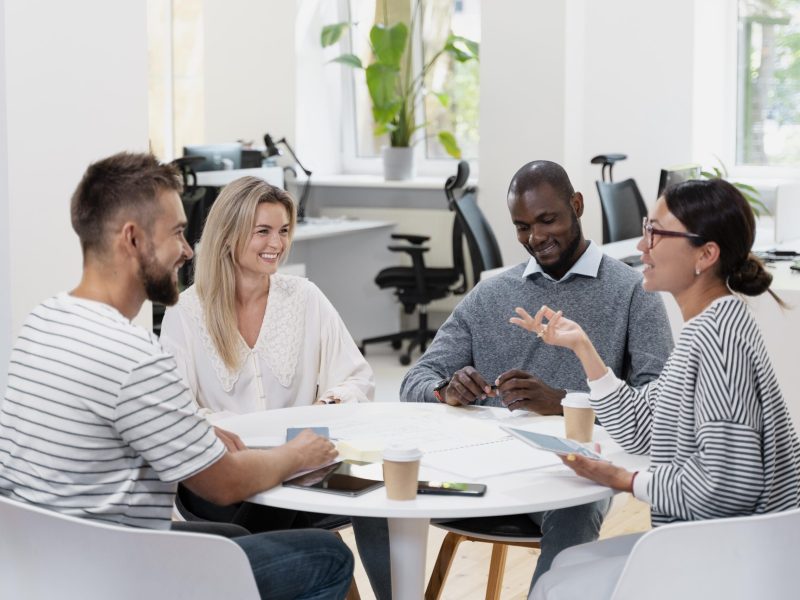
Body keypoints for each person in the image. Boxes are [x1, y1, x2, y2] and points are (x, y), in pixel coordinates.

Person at [0, 152, 354, 600]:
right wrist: (299, 453)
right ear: (132, 239)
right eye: (177, 233)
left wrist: (198, 432)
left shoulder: (43, 323)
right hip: (122, 574)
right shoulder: (134, 357)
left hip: (42, 565)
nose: (188, 251)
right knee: (327, 554)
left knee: (238, 539)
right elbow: (224, 484)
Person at [515, 178, 800, 600]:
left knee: (556, 586)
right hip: (724, 546)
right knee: (564, 567)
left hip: (735, 558)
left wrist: (626, 480)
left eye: (655, 234)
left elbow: (728, 485)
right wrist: (584, 349)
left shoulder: (717, 340)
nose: (641, 247)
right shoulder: (711, 326)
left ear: (706, 254)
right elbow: (643, 428)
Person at [400, 160, 674, 589]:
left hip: (572, 473)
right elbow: (415, 380)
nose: (536, 238)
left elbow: (659, 408)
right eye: (522, 226)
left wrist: (564, 404)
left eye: (548, 220)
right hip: (484, 468)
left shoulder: (634, 293)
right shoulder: (490, 293)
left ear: (577, 205)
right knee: (382, 489)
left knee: (575, 514)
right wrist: (445, 391)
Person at [159, 176, 389, 600]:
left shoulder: (305, 297)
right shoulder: (186, 312)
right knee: (324, 545)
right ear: (229, 235)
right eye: (262, 231)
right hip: (223, 484)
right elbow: (176, 415)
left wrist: (326, 406)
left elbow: (356, 378)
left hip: (301, 474)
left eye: (283, 231)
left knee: (379, 493)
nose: (277, 244)